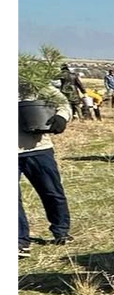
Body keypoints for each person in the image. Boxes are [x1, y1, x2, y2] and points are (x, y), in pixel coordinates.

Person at [17, 78, 73, 256]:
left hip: (38, 149)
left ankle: (60, 229)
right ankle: (20, 241)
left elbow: (62, 103)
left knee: (51, 192)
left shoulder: (34, 83)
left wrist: (61, 118)